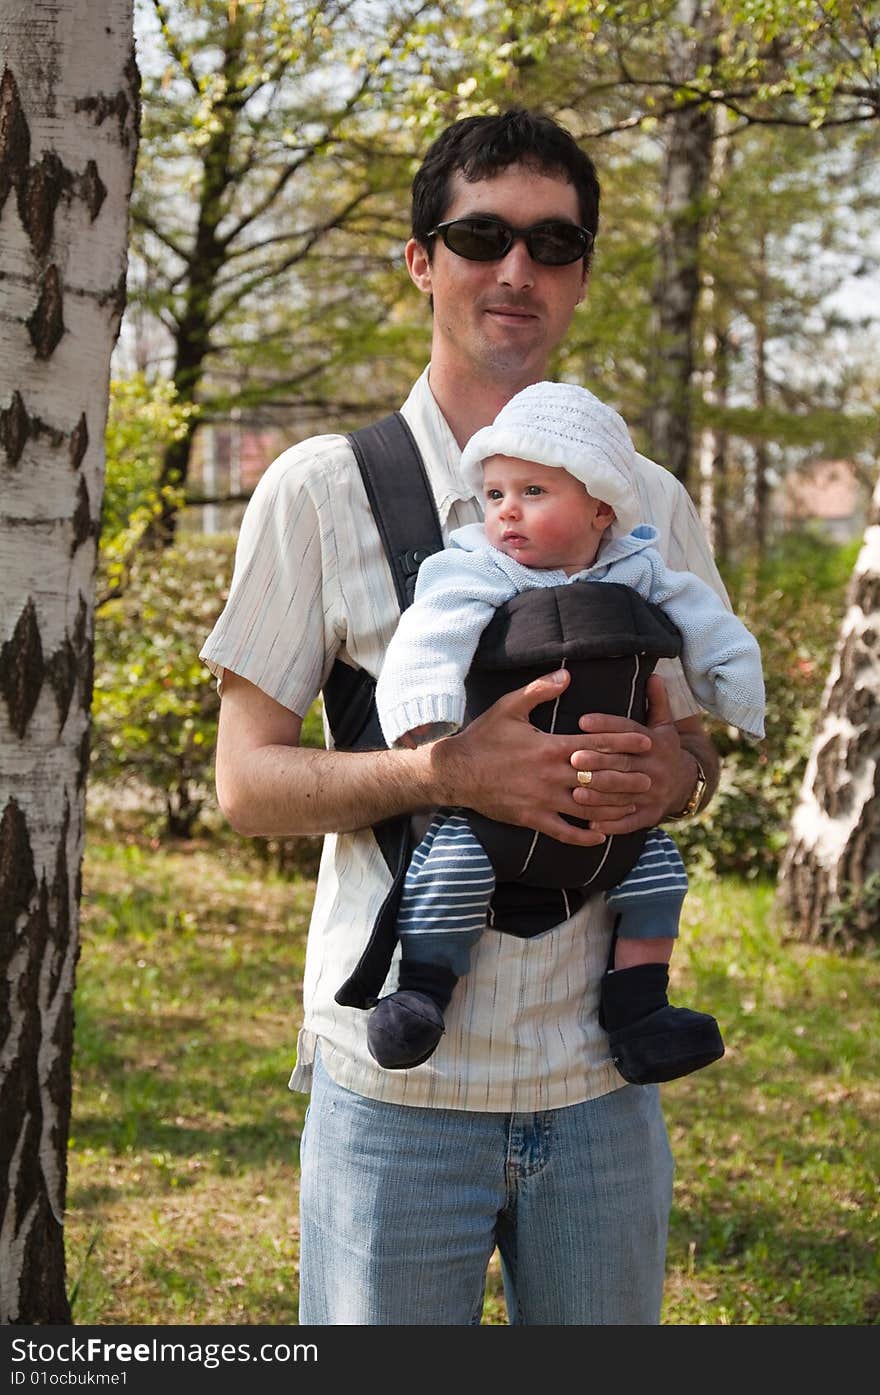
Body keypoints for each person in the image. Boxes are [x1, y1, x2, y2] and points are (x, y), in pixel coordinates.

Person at [201, 107, 731, 1326]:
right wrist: (445, 772)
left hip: (602, 1089)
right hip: (396, 1101)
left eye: (554, 243)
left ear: (583, 273)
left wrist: (669, 776)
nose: (516, 269)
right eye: (480, 233)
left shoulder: (644, 501)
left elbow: (696, 750)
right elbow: (245, 785)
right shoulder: (324, 488)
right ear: (421, 259)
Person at [368, 379, 764, 1077]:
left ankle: (640, 1008)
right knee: (450, 867)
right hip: (490, 818)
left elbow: (700, 615)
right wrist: (428, 730)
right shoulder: (475, 567)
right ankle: (422, 992)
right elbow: (430, 633)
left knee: (661, 873)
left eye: (534, 493)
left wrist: (732, 683)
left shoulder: (636, 566)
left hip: (612, 823)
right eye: (494, 495)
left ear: (600, 508)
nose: (506, 513)